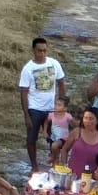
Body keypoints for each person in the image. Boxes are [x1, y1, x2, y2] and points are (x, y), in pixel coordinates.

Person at [19, 37, 66, 171]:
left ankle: (54, 162)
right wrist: (26, 115)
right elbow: (23, 92)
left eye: (44, 51)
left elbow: (61, 83)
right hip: (34, 108)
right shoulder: (28, 69)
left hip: (51, 108)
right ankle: (34, 167)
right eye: (39, 51)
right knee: (31, 139)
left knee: (55, 137)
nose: (42, 54)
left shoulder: (54, 63)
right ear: (34, 50)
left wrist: (62, 104)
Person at [61, 106, 98, 171]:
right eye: (85, 118)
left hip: (92, 177)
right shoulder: (76, 132)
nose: (87, 121)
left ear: (97, 120)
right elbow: (64, 150)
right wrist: (64, 167)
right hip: (73, 175)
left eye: (91, 119)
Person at [47, 95, 73, 165]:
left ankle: (53, 158)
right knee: (55, 156)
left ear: (65, 108)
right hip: (54, 137)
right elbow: (46, 122)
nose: (56, 106)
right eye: (56, 104)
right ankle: (55, 167)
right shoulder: (51, 115)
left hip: (63, 138)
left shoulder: (67, 116)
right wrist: (44, 131)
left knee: (54, 146)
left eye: (59, 105)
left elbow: (72, 124)